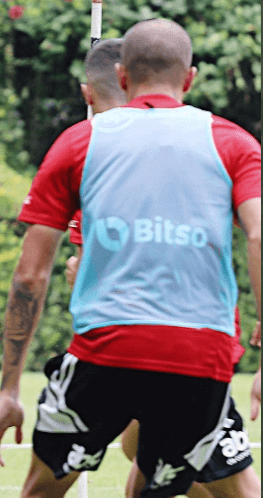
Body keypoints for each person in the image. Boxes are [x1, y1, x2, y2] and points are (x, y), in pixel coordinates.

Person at [0, 18, 261, 498]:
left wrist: (9, 389)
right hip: (201, 356)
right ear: (190, 78)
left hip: (106, 349)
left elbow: (30, 276)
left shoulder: (80, 142)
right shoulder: (234, 142)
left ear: (123, 78)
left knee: (41, 492)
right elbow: (258, 233)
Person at [65, 37, 261, 498]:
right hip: (142, 335)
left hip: (190, 338)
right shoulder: (93, 155)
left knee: (219, 477)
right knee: (145, 449)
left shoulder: (181, 146)